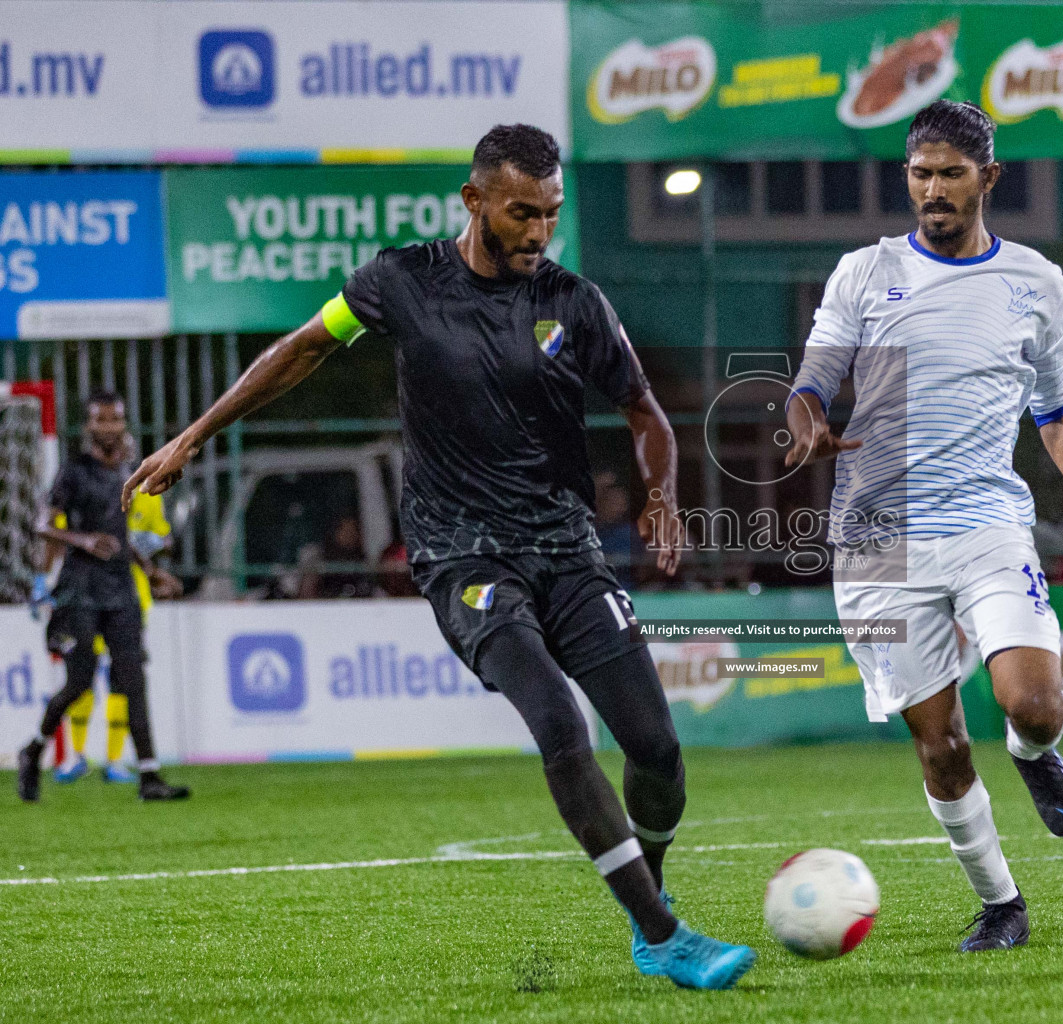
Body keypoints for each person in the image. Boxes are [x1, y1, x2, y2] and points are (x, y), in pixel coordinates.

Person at [121, 124, 755, 990]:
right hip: (464, 558)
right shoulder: (401, 282)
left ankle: (648, 886)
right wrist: (194, 434)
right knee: (562, 730)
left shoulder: (574, 302)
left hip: (565, 551)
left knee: (658, 754)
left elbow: (644, 407)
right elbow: (303, 347)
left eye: (552, 214)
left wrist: (661, 498)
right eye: (521, 213)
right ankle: (663, 931)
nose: (539, 233)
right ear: (474, 201)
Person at [784, 101, 1063, 952]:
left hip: (986, 520)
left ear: (990, 177)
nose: (933, 189)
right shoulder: (864, 273)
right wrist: (804, 419)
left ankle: (1033, 753)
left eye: (950, 172)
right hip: (878, 537)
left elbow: (1055, 408)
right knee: (940, 744)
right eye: (919, 173)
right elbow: (815, 376)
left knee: (1038, 704)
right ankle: (1000, 902)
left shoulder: (1034, 281)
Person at [16, 391, 189, 802]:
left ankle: (149, 777)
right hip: (80, 588)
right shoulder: (73, 471)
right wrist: (82, 539)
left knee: (133, 678)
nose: (108, 427)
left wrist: (152, 572)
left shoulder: (128, 470)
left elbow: (119, 537)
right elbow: (41, 523)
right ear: (88, 426)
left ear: (124, 424)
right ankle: (34, 750)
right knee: (79, 680)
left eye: (115, 420)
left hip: (121, 587)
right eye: (101, 420)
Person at [47, 483, 182, 784]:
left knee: (124, 680)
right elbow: (56, 533)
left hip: (131, 600)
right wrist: (46, 580)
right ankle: (77, 755)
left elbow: (165, 539)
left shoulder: (148, 496)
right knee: (81, 676)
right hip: (85, 598)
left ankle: (115, 760)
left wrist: (150, 543)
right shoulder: (82, 491)